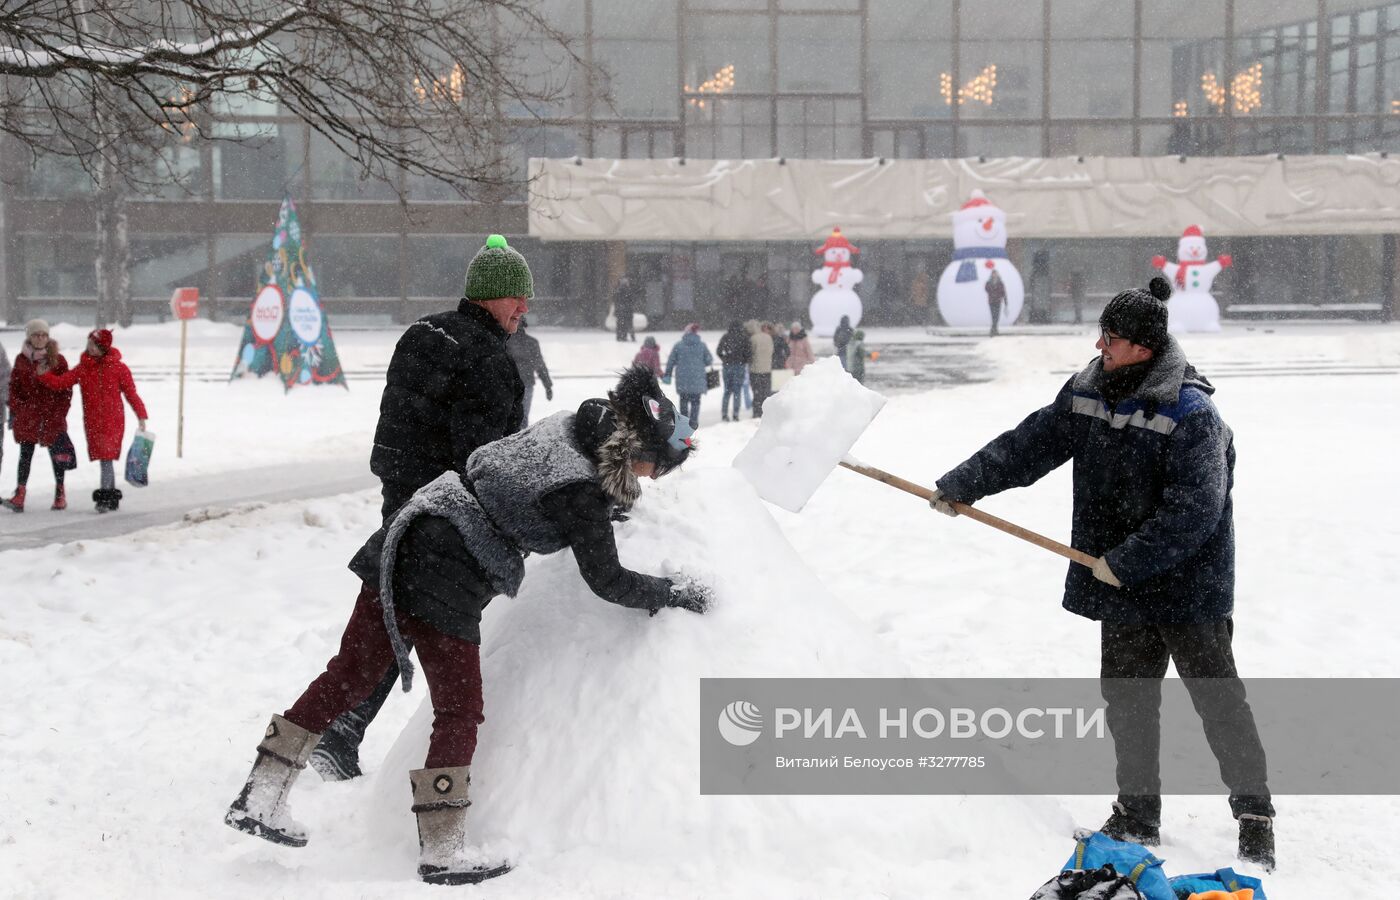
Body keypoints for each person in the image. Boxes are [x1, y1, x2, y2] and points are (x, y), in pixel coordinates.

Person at [224, 367, 711, 886]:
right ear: (639, 447)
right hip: (448, 573)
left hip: (409, 534)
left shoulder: (573, 425)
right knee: (460, 709)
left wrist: (592, 516)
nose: (650, 479)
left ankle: (261, 791)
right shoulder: (582, 494)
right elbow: (608, 580)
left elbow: (533, 485)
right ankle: (442, 850)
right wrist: (671, 592)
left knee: (351, 673)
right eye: (655, 468)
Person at [928, 277, 1275, 872]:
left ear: (1142, 347)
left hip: (1187, 586)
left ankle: (1255, 815)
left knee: (1217, 701)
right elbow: (1030, 444)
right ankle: (1138, 814)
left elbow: (1195, 509)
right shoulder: (1089, 389)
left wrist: (1128, 561)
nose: (1100, 345)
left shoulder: (1192, 414)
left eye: (1110, 338)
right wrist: (965, 483)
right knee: (1129, 701)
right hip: (1122, 583)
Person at [314, 233, 532, 782]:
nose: (523, 310)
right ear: (490, 296)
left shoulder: (422, 332)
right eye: (516, 299)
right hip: (445, 509)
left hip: (400, 487)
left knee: (392, 603)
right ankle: (344, 729)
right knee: (418, 613)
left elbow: (402, 418)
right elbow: (483, 459)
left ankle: (341, 724)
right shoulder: (487, 359)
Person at [37, 329, 147, 513]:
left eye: (94, 346)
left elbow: (131, 393)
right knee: (105, 459)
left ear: (103, 348)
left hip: (113, 420)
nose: (90, 349)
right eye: (89, 345)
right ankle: (111, 497)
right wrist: (44, 376)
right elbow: (62, 382)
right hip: (93, 422)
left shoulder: (119, 368)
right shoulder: (83, 369)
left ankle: (104, 499)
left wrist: (141, 415)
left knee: (106, 458)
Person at [5, 321, 73, 512]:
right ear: (29, 337)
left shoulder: (58, 360)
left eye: (44, 335)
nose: (40, 338)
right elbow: (14, 388)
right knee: (25, 454)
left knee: (57, 455)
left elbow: (66, 389)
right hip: (29, 416)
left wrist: (59, 412)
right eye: (36, 335)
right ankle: (20, 494)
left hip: (52, 415)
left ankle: (60, 493)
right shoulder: (21, 360)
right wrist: (19, 408)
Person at [663, 323, 713, 429]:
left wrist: (667, 374)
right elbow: (709, 360)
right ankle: (693, 423)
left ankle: (684, 423)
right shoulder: (702, 345)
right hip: (697, 379)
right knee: (696, 402)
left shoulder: (678, 345)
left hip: (683, 379)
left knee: (683, 401)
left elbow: (671, 362)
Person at [506, 316, 553, 427]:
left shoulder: (504, 341)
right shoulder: (531, 342)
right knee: (522, 416)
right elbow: (540, 366)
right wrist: (548, 386)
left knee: (507, 416)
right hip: (526, 384)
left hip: (508, 384)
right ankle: (519, 437)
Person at [715, 319, 751, 423]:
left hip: (727, 366)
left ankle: (724, 414)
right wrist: (743, 360)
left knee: (727, 391)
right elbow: (749, 353)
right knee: (737, 392)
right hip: (739, 366)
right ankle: (735, 414)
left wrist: (725, 359)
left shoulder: (725, 337)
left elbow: (718, 351)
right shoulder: (744, 337)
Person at [746, 320, 774, 418]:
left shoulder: (753, 339)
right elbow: (772, 351)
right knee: (766, 393)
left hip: (756, 370)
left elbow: (750, 354)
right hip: (767, 369)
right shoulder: (769, 337)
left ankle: (756, 413)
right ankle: (766, 413)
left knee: (757, 393)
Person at [613, 272, 641, 342]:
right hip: (628, 311)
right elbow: (633, 300)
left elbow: (615, 301)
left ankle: (620, 337)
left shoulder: (617, 291)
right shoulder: (629, 291)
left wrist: (617, 309)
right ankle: (632, 337)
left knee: (620, 325)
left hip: (620, 311)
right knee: (629, 324)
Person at [985, 268, 1006, 337]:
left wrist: (1005, 301)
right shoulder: (989, 282)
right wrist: (993, 292)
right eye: (993, 274)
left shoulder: (1000, 282)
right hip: (992, 301)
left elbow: (1003, 292)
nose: (994, 275)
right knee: (993, 316)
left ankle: (993, 330)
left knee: (997, 316)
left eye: (995, 274)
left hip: (998, 301)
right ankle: (994, 330)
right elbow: (987, 289)